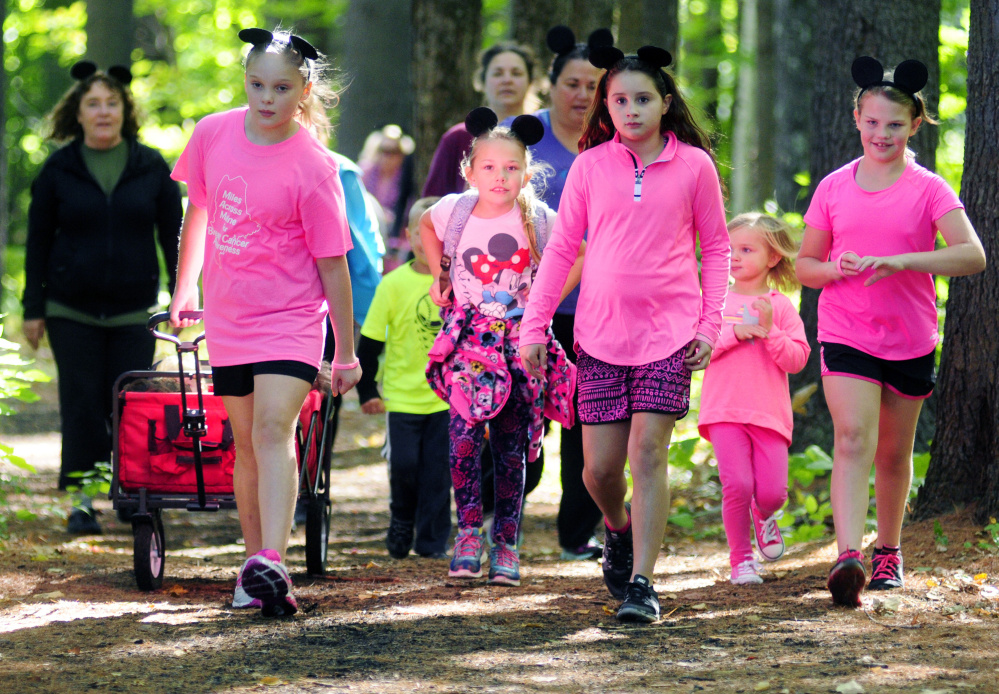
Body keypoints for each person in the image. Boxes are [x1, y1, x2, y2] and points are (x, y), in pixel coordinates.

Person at [519, 44, 729, 623]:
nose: (631, 109)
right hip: (600, 336)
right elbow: (564, 249)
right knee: (599, 471)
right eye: (619, 100)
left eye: (642, 99)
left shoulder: (694, 166)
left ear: (665, 103)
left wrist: (710, 325)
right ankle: (617, 526)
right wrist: (534, 325)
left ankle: (642, 583)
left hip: (671, 333)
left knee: (648, 452)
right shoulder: (590, 166)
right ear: (605, 108)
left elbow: (715, 249)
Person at [169, 27, 361, 617]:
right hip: (229, 317)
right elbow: (197, 215)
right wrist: (181, 292)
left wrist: (346, 354)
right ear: (245, 82)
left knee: (275, 431)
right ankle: (253, 570)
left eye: (281, 87)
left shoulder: (315, 167)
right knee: (247, 446)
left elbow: (334, 265)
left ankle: (274, 558)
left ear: (304, 90)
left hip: (292, 319)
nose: (266, 98)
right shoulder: (213, 133)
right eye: (257, 84)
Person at [796, 57, 985, 608]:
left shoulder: (928, 188)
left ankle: (889, 550)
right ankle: (847, 555)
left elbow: (972, 256)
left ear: (914, 126)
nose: (882, 134)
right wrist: (836, 269)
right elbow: (806, 266)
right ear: (856, 119)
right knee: (852, 438)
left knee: (894, 453)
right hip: (845, 330)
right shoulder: (833, 187)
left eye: (895, 125)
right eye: (873, 122)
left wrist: (904, 261)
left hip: (910, 336)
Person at [421, 108, 580, 587]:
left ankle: (506, 543)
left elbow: (579, 256)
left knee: (512, 445)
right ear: (469, 171)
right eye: (488, 166)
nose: (500, 176)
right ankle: (469, 533)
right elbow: (427, 227)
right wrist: (439, 274)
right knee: (464, 437)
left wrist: (543, 306)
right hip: (467, 339)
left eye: (511, 168)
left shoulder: (539, 219)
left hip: (519, 342)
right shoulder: (455, 209)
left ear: (526, 174)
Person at [22, 61, 182, 534]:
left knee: (131, 404)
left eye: (111, 103)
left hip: (134, 309)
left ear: (124, 110)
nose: (103, 111)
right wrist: (34, 308)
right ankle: (82, 499)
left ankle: (133, 494)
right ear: (78, 112)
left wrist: (179, 297)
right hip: (70, 309)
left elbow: (174, 236)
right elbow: (38, 241)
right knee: (82, 402)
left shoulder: (150, 165)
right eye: (93, 103)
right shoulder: (58, 168)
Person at [506, 25, 611, 561]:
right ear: (551, 86)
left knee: (588, 420)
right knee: (522, 416)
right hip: (523, 306)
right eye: (572, 82)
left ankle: (577, 533)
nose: (581, 94)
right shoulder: (519, 135)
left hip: (597, 308)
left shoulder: (620, 143)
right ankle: (505, 525)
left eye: (593, 85)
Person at [698, 213, 810, 585]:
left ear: (772, 257)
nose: (735, 256)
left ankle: (764, 517)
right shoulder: (713, 301)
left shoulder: (780, 306)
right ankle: (741, 561)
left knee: (773, 493)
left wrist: (769, 332)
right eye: (730, 249)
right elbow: (694, 352)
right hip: (723, 410)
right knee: (737, 485)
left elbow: (797, 359)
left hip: (770, 414)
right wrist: (735, 333)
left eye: (746, 249)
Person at [355, 196, 450, 560]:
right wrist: (367, 391)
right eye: (424, 233)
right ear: (410, 237)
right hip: (401, 398)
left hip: (446, 399)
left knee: (439, 472)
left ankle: (432, 541)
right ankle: (401, 518)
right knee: (406, 466)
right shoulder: (393, 285)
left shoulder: (461, 283)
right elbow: (371, 343)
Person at [422, 42, 537, 197]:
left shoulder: (543, 135)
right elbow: (432, 202)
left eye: (516, 73)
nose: (507, 80)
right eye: (498, 73)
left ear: (530, 81)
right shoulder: (459, 136)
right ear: (481, 82)